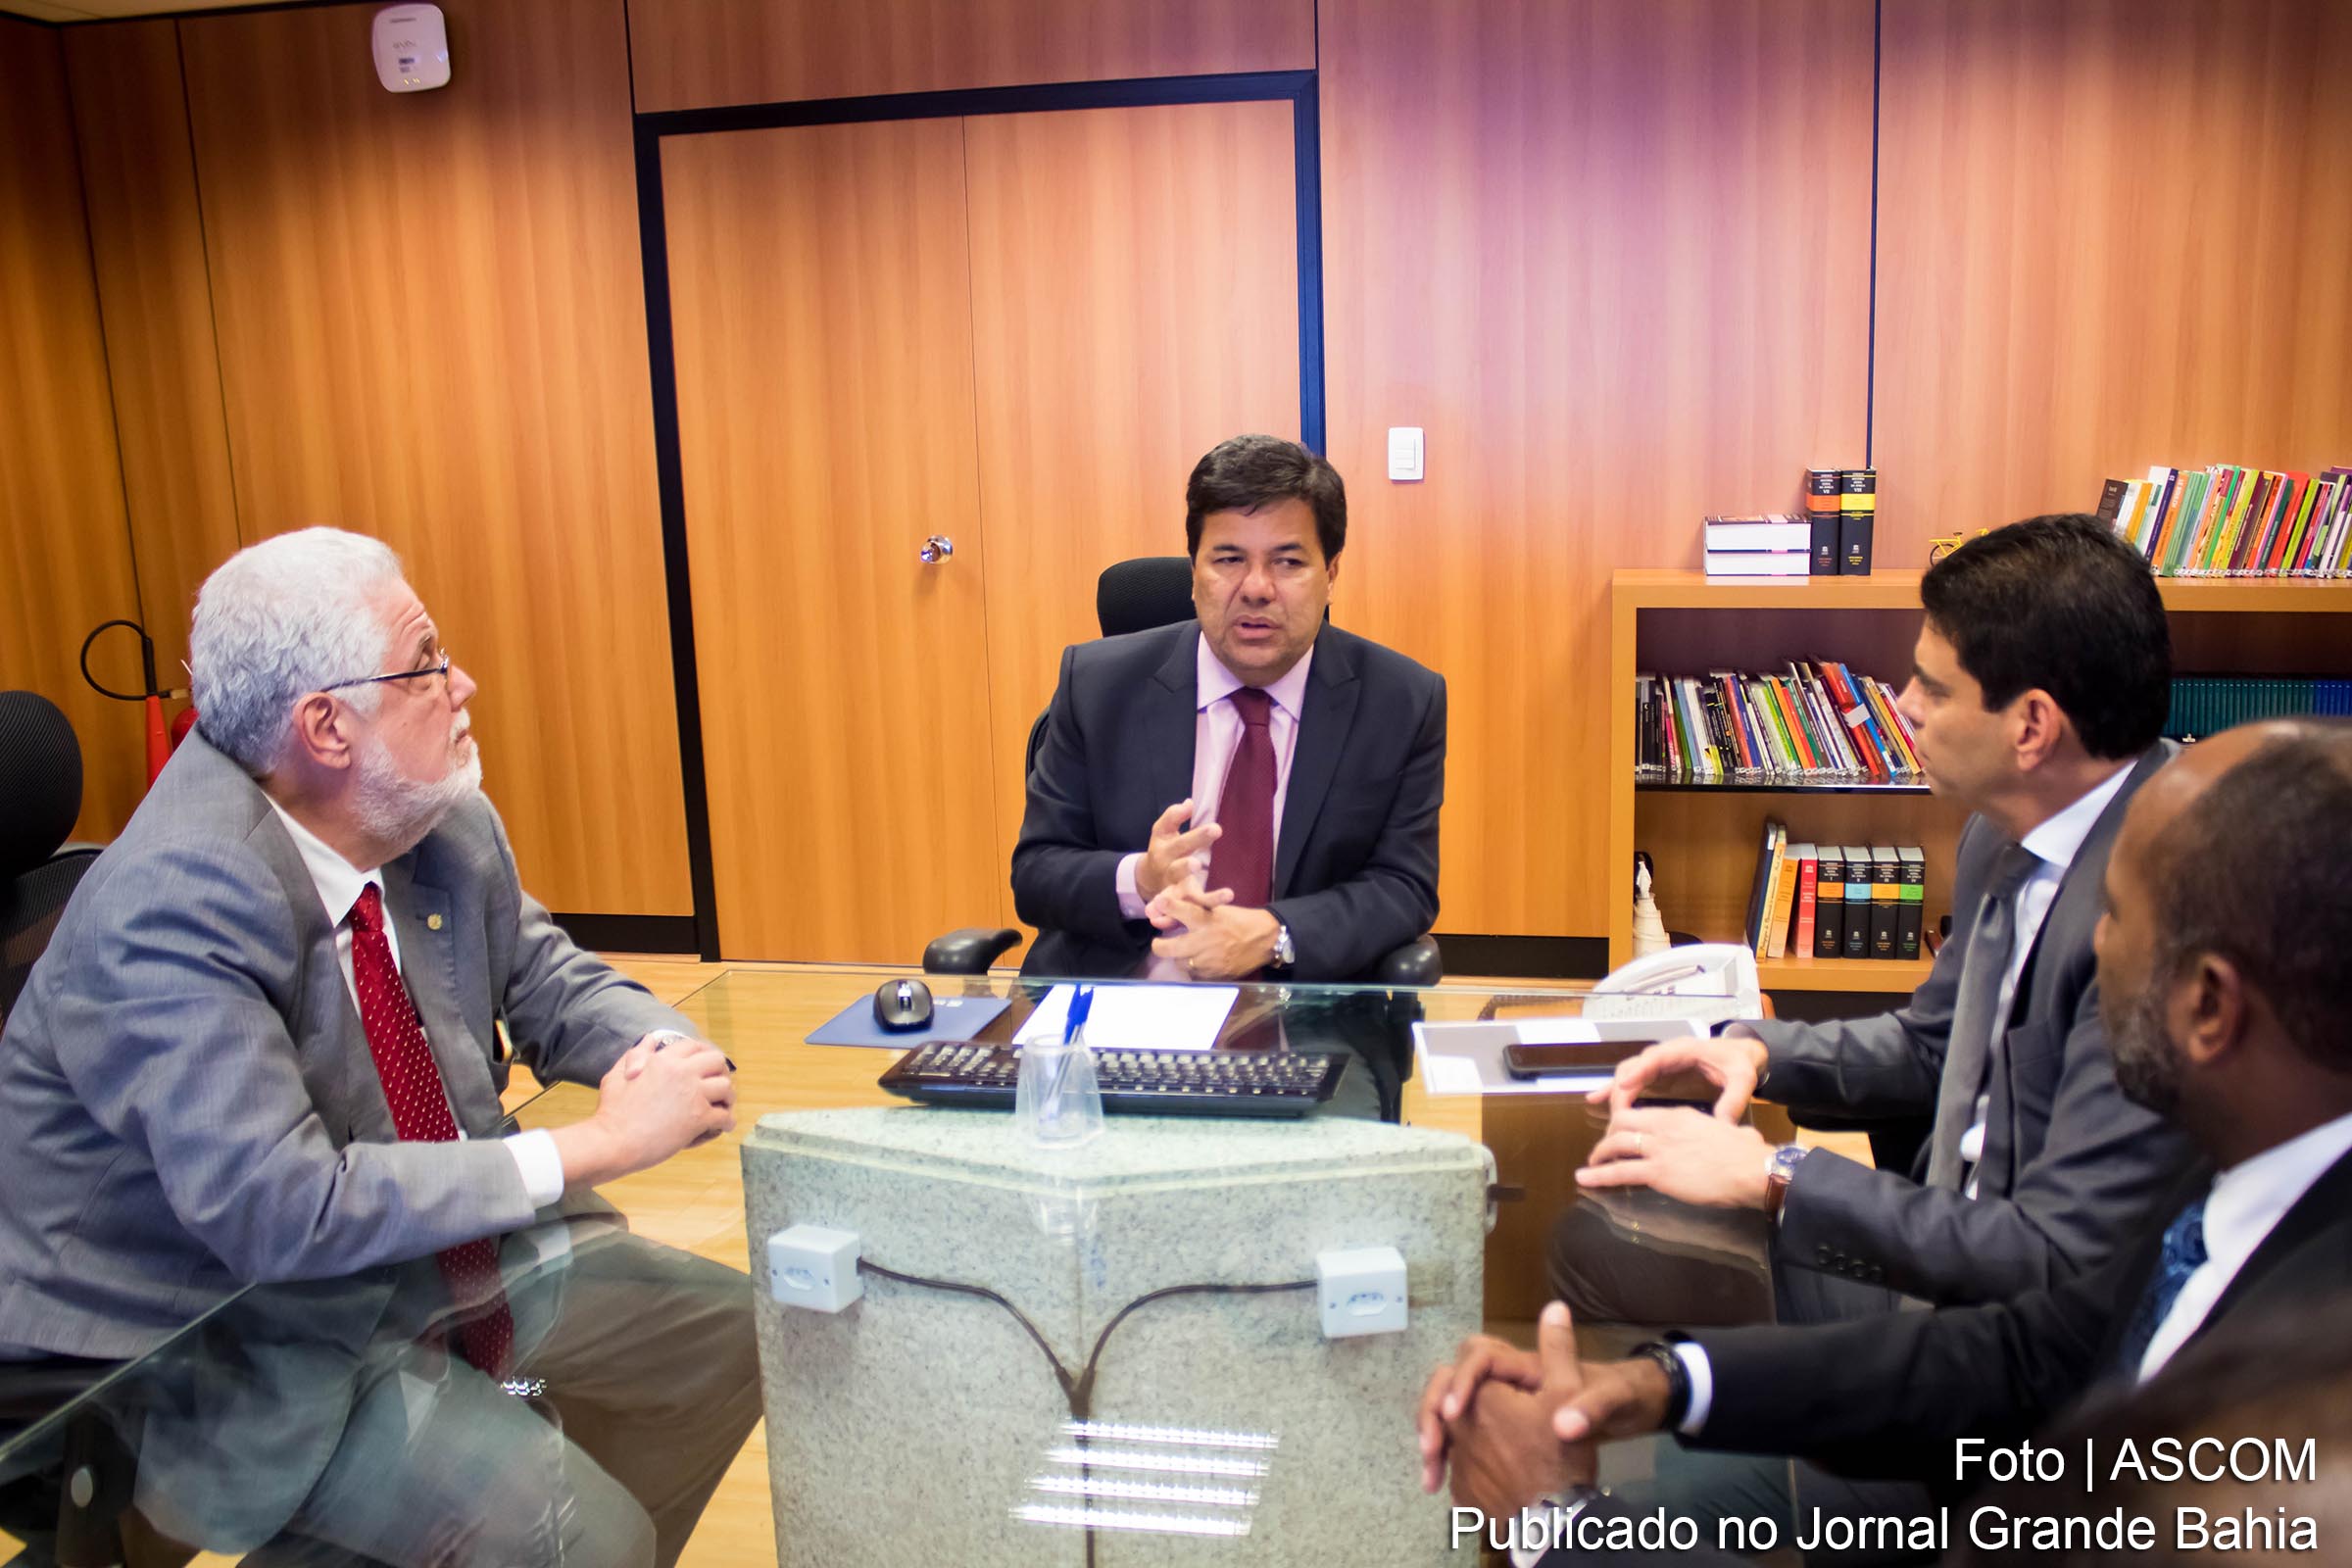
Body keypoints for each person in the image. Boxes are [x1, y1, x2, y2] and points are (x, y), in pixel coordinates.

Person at [0, 528, 759, 1568]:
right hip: (210, 1350)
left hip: (408, 1264)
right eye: (427, 663)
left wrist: (671, 1053)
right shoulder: (175, 897)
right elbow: (283, 1211)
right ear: (327, 726)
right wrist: (596, 1144)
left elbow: (545, 979)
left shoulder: (434, 820)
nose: (463, 683)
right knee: (580, 1536)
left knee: (728, 1341)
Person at [1421, 719, 2352, 1564]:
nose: (2093, 946)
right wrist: (1655, 1385)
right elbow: (2023, 1353)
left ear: (2210, 1006)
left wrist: (1554, 1527)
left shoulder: (2315, 1400)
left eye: (2117, 918)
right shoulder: (2222, 1173)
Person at [1557, 516, 2191, 1320]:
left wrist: (1776, 1176)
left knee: (1621, 1262)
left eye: (1934, 686)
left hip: (2027, 1333)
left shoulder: (2163, 909)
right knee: (1602, 1230)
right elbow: (1934, 1046)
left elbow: (2055, 1254)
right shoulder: (2001, 829)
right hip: (1934, 1241)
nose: (1904, 704)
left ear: (2032, 727)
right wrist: (1747, 1047)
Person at [1011, 433, 1446, 981]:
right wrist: (1140, 879)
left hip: (1302, 1014)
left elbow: (1403, 885)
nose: (1257, 588)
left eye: (1288, 562)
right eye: (1229, 559)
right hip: (1122, 1005)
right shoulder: (1097, 684)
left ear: (1331, 574)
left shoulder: (1400, 701)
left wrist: (1276, 933)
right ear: (1194, 570)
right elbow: (1036, 873)